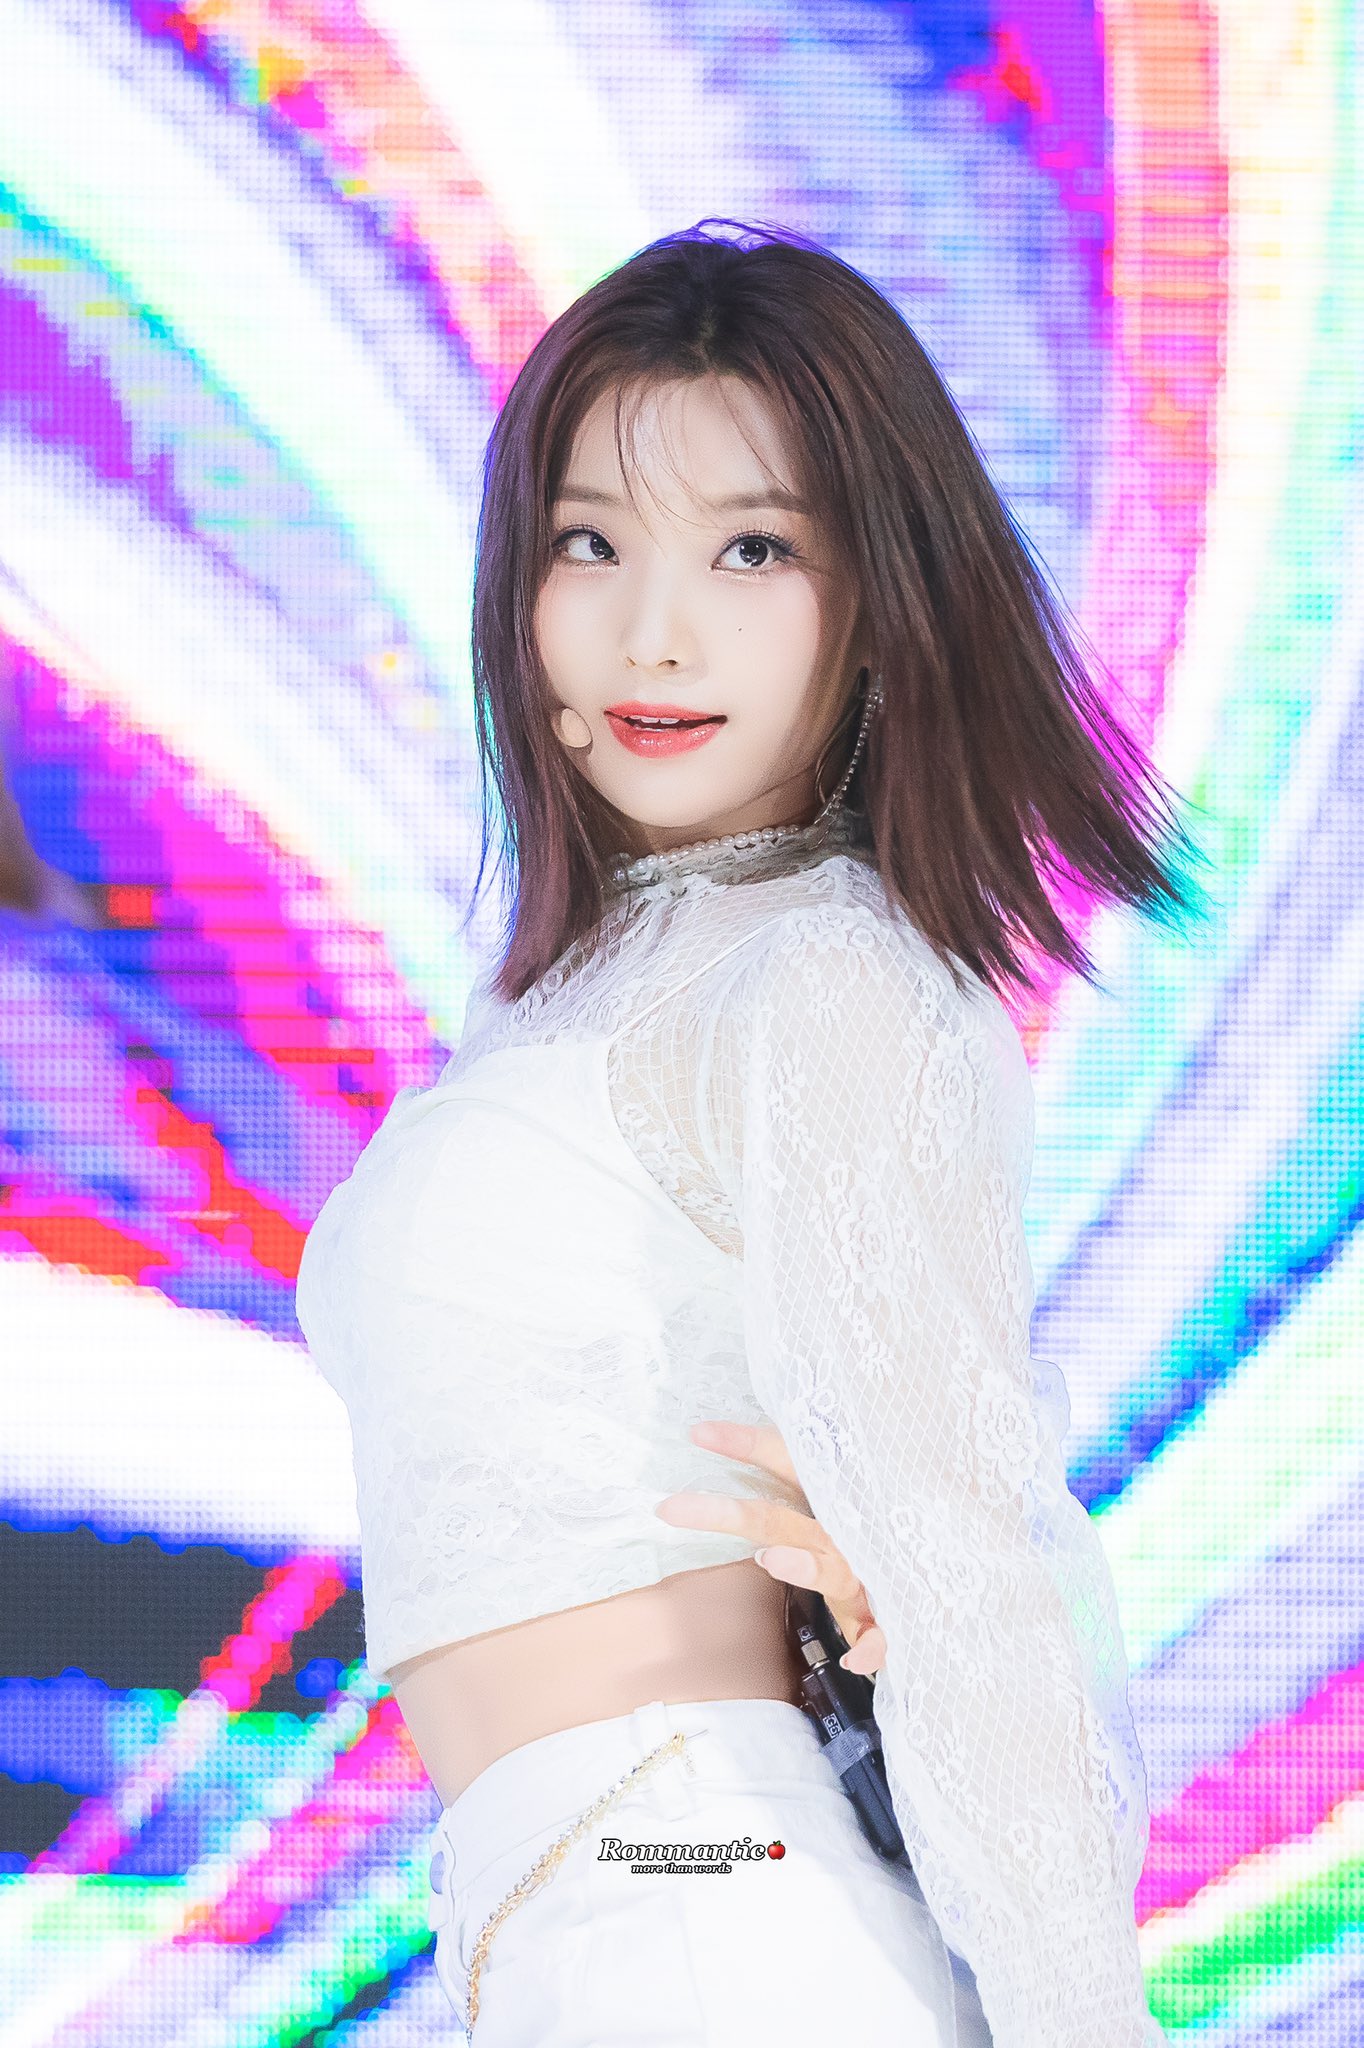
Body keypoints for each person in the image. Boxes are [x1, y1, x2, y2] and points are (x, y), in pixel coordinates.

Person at [295, 220, 1206, 2046]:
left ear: (876, 600)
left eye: (752, 548)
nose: (655, 628)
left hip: (699, 1913)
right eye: (590, 542)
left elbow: (972, 1577)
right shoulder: (582, 987)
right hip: (587, 1914)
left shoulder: (827, 977)